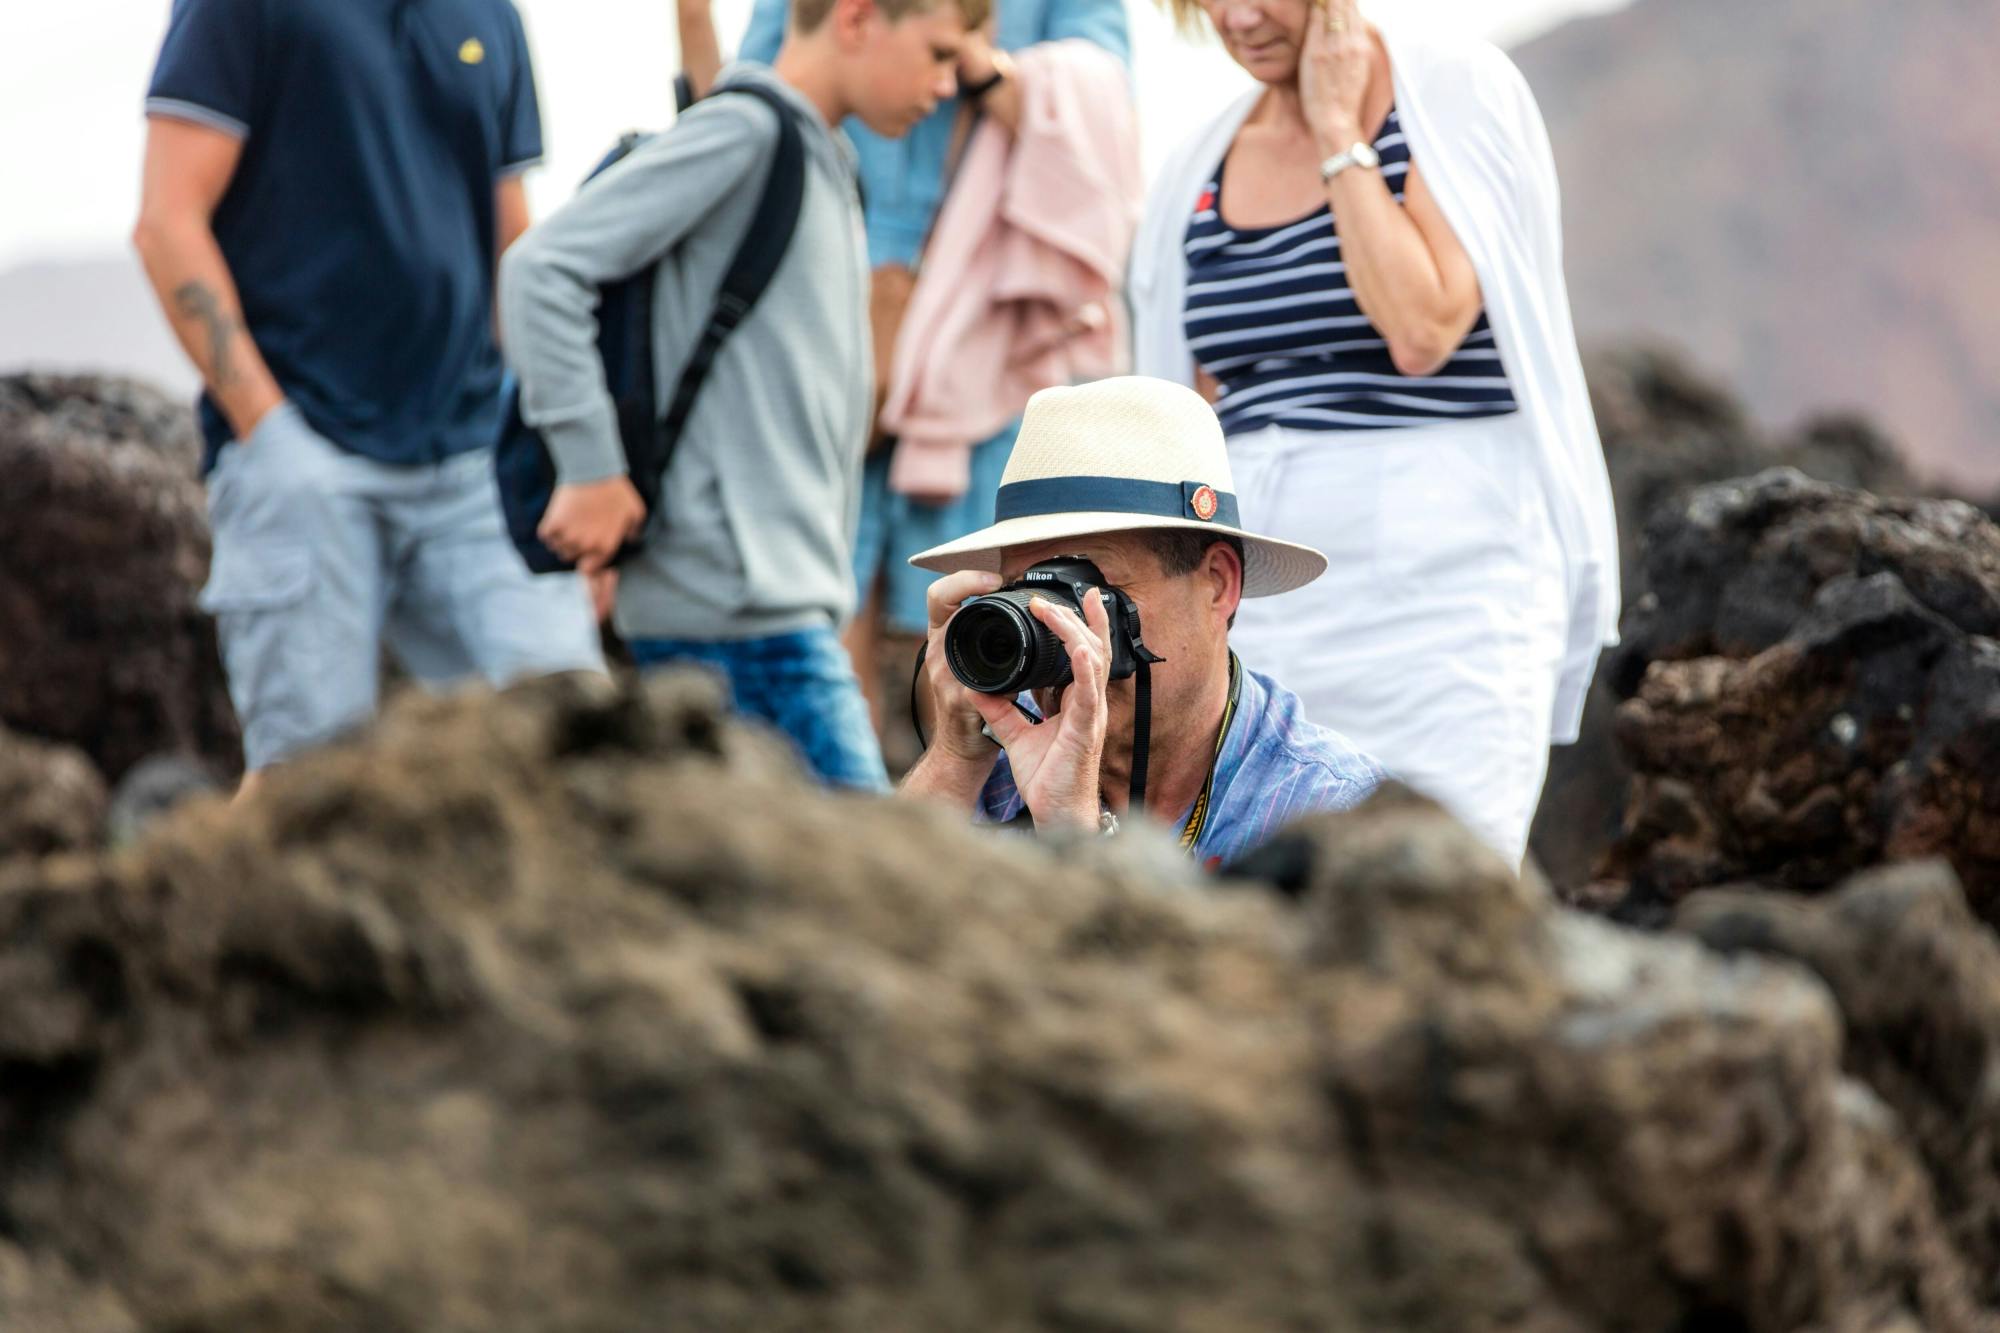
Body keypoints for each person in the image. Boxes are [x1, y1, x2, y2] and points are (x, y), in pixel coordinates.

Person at [1126, 0, 1620, 864]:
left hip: (1445, 597)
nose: (1235, 16)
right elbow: (1185, 409)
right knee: (1262, 905)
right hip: (1265, 606)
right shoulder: (1198, 160)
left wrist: (1335, 130)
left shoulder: (1452, 91)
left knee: (1441, 895)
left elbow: (1423, 327)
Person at [498, 0, 986, 790]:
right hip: (740, 626)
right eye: (936, 53)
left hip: (769, 619)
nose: (944, 85)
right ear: (858, 18)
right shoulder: (750, 133)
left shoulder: (825, 159)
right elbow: (539, 269)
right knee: (868, 890)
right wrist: (590, 467)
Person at [134, 0, 606, 782]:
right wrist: (272, 430)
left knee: (580, 745)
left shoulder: (490, 13)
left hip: (475, 463)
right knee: (308, 792)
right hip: (304, 459)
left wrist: (561, 454)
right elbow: (167, 221)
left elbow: (511, 245)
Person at [723, 0, 1132, 759]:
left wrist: (973, 57)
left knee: (962, 602)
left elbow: (1102, 129)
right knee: (817, 588)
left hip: (983, 326)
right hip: (827, 284)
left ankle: (943, 815)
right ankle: (830, 806)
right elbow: (757, 86)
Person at [902, 377, 1384, 866]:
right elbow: (851, 931)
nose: (1063, 638)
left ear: (1217, 583)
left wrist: (1070, 831)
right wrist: (955, 758)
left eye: (1084, 590)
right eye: (1026, 594)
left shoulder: (1331, 815)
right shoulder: (997, 757)